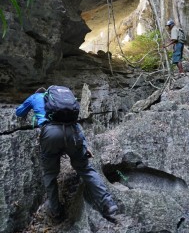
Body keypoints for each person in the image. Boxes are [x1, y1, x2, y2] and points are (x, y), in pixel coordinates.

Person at [15, 87, 118, 224]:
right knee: (86, 169)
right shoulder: (64, 103)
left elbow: (19, 112)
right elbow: (75, 124)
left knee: (50, 175)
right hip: (73, 133)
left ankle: (56, 212)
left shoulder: (35, 97)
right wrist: (85, 145)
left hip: (50, 134)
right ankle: (108, 204)